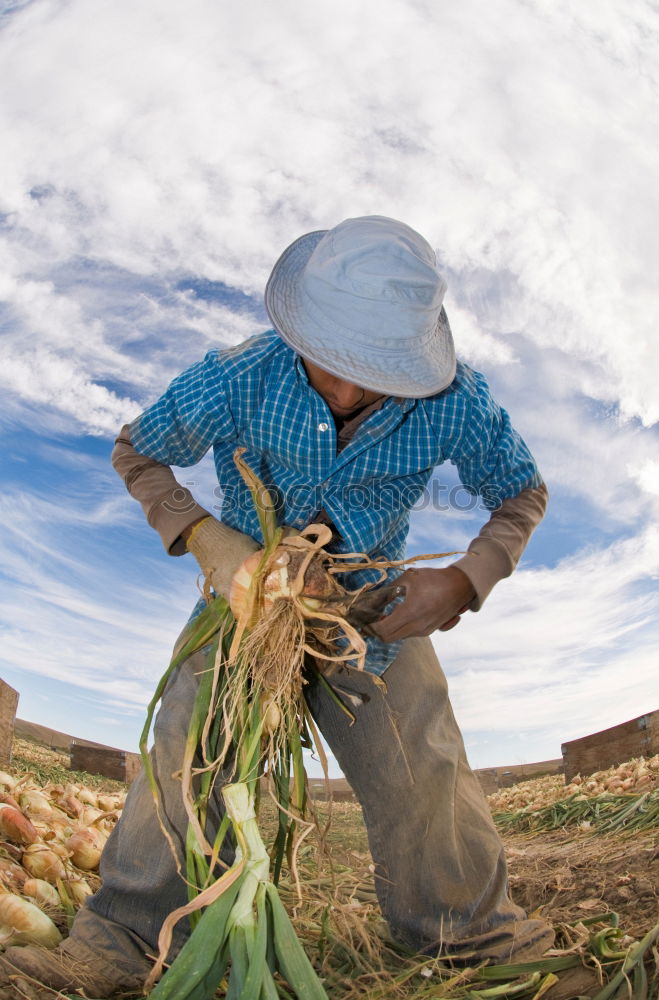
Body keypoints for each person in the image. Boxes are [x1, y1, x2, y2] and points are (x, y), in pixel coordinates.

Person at [0, 216, 593, 999]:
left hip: (370, 611)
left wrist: (464, 581)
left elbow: (523, 491)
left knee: (426, 769)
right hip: (248, 604)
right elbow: (137, 452)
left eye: (373, 373)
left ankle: (479, 946)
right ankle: (121, 941)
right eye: (330, 364)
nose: (345, 392)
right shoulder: (237, 377)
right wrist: (210, 543)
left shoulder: (454, 401)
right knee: (185, 747)